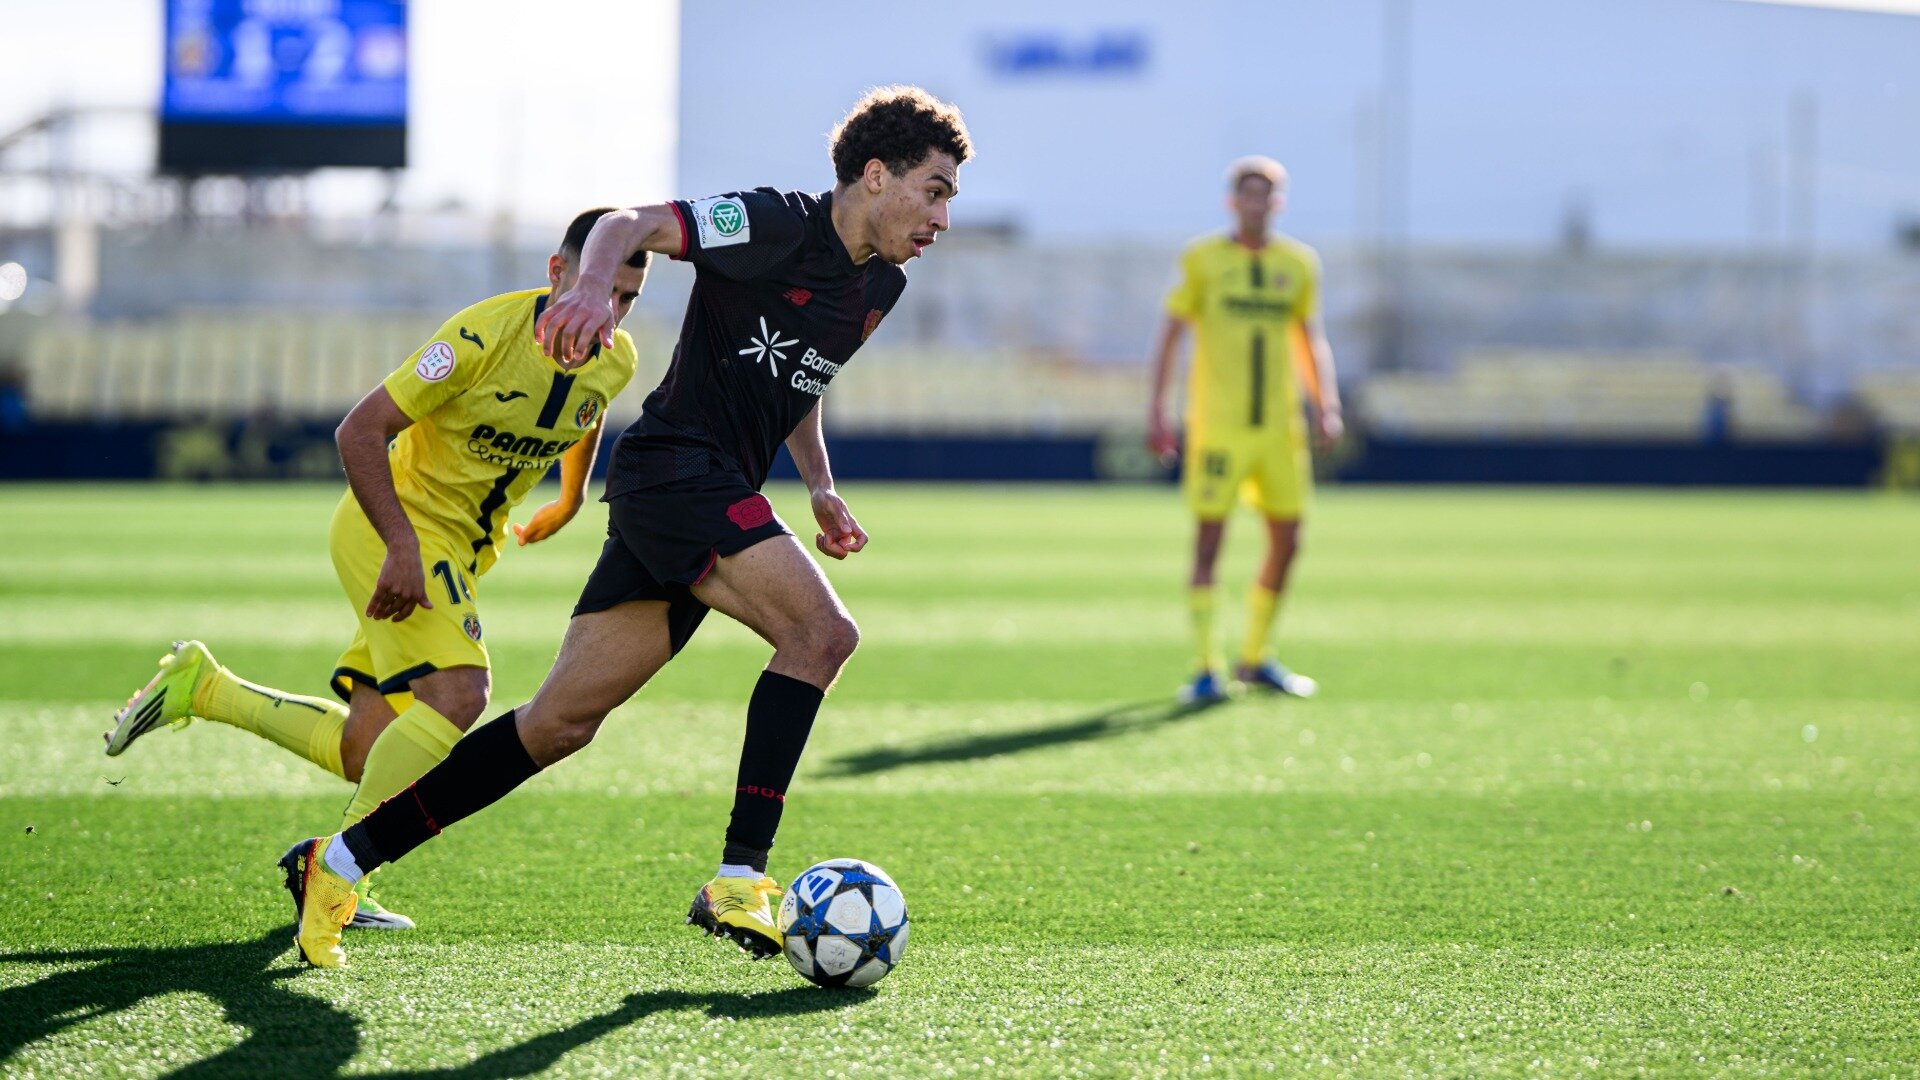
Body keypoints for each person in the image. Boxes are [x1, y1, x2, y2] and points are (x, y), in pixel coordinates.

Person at [276, 85, 973, 969]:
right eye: (937, 189)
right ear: (876, 176)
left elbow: (802, 377)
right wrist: (593, 287)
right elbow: (624, 224)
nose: (945, 216)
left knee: (558, 725)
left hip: (692, 495)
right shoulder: (767, 222)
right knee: (822, 633)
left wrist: (821, 485)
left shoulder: (883, 285)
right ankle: (739, 876)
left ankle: (338, 864)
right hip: (678, 473)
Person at [106, 210, 648, 930]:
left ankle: (204, 688)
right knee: (460, 692)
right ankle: (335, 871)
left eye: (626, 297)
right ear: (557, 274)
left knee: (369, 750)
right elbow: (358, 429)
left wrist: (571, 496)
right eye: (597, 287)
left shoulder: (618, 357)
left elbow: (591, 406)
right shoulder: (482, 337)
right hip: (395, 527)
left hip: (456, 548)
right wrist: (400, 546)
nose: (607, 311)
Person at [1146, 156, 1343, 704]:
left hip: (1279, 429)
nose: (1258, 205)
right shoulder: (1202, 259)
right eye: (1248, 195)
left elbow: (1311, 336)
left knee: (1289, 540)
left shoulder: (1299, 264)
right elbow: (1170, 335)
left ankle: (1255, 658)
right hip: (1219, 427)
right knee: (1209, 542)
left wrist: (1326, 403)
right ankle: (1207, 668)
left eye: (1268, 196)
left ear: (1277, 204)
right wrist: (1157, 411)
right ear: (1233, 202)